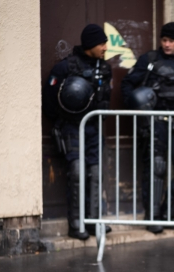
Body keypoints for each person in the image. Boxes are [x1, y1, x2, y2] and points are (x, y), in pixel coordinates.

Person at [121, 22, 174, 234]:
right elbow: (127, 85)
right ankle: (153, 216)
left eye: (171, 41)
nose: (167, 44)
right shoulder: (149, 60)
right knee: (156, 168)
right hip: (155, 123)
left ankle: (169, 214)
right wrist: (137, 105)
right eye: (164, 40)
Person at [42, 24, 112, 240]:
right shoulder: (66, 67)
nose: (105, 47)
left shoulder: (105, 67)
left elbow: (106, 97)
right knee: (78, 171)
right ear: (91, 44)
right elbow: (49, 99)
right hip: (71, 127)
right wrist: (62, 121)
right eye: (101, 43)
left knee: (95, 173)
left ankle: (93, 221)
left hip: (93, 126)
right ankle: (76, 224)